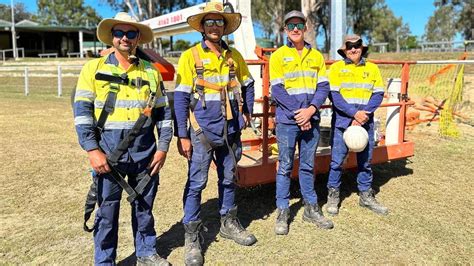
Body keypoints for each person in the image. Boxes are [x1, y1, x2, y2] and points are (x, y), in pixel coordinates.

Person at [73, 12, 173, 265]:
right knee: (107, 212)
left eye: (131, 33)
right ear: (112, 37)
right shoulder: (92, 69)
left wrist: (162, 148)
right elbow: (82, 113)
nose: (125, 38)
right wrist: (92, 150)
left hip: (145, 152)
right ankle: (104, 261)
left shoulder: (152, 71)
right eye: (119, 33)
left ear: (138, 37)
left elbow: (164, 112)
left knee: (144, 206)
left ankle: (147, 252)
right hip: (108, 153)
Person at [173, 1, 256, 264]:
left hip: (231, 133)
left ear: (224, 27)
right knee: (197, 184)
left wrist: (247, 114)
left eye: (219, 22)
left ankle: (228, 223)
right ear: (202, 27)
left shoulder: (235, 58)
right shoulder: (190, 57)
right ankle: (192, 236)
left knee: (230, 179)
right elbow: (180, 98)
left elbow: (249, 85)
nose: (214, 26)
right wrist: (182, 135)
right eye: (209, 22)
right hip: (201, 133)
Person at [269, 10, 333, 236]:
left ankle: (311, 208)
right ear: (285, 30)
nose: (295, 29)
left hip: (311, 119)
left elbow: (323, 86)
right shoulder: (277, 57)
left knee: (308, 166)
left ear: (305, 28)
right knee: (285, 167)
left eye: (299, 25)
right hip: (288, 122)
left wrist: (311, 110)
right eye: (290, 25)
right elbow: (277, 90)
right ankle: (283, 210)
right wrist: (300, 114)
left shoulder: (316, 56)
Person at [326, 35, 388, 216]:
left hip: (365, 122)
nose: (353, 49)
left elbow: (378, 94)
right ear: (344, 50)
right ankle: (333, 195)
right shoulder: (336, 68)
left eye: (357, 46)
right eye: (350, 46)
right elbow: (334, 96)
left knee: (366, 162)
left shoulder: (372, 68)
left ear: (362, 48)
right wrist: (354, 114)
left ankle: (366, 195)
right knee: (336, 162)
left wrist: (363, 115)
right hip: (342, 123)